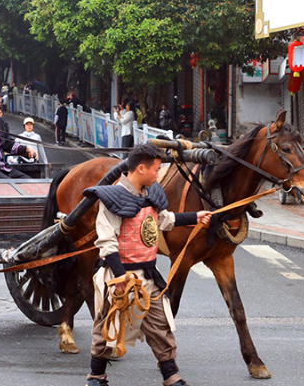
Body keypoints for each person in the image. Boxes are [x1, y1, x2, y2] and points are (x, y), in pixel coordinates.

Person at [83, 143, 211, 386]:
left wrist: (195, 217)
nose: (158, 174)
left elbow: (164, 220)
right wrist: (119, 277)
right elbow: (107, 241)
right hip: (120, 275)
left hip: (149, 275)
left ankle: (171, 376)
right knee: (109, 325)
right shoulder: (113, 198)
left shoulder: (151, 193)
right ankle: (96, 375)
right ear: (141, 168)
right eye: (156, 169)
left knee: (160, 325)